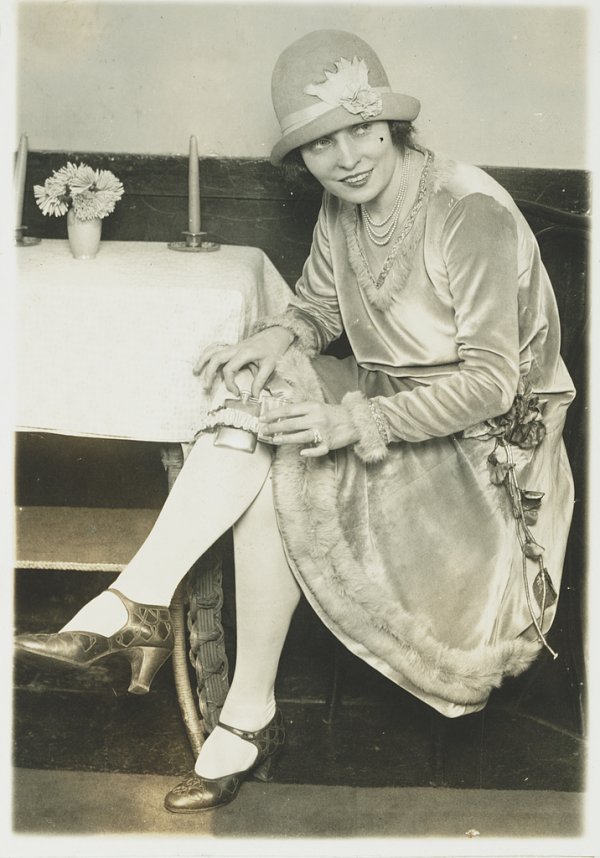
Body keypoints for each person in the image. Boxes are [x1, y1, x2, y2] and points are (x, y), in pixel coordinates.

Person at [15, 29, 575, 813]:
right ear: (302, 157)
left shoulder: (466, 210)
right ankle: (144, 611)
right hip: (384, 395)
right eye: (319, 145)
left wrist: (354, 425)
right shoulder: (344, 205)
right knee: (259, 405)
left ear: (392, 125)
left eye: (360, 131)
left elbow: (490, 385)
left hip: (482, 455)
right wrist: (276, 334)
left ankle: (221, 693)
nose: (345, 158)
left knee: (285, 451)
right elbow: (316, 306)